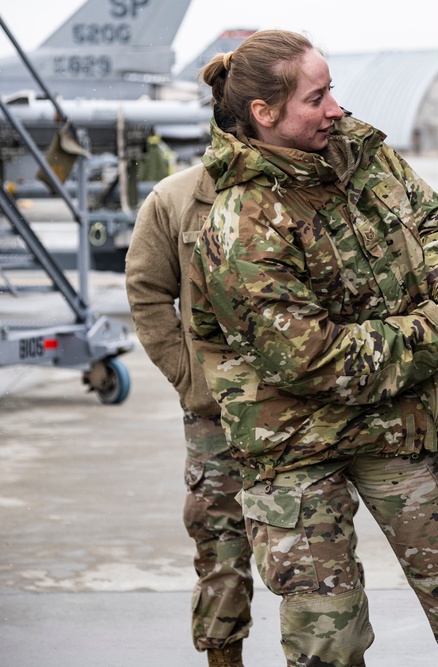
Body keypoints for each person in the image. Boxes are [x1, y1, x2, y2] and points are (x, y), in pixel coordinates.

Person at [189, 30, 438, 667]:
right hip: (298, 446)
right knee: (329, 642)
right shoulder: (242, 221)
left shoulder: (361, 152)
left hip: (398, 423)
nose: (335, 109)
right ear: (266, 115)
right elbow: (313, 361)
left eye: (332, 91)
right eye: (315, 98)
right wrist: (437, 326)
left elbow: (427, 225)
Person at [125, 162, 254, 667]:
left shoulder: (307, 185)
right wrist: (189, 376)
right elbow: (147, 289)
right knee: (220, 548)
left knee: (315, 557)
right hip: (216, 413)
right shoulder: (176, 197)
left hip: (304, 409)